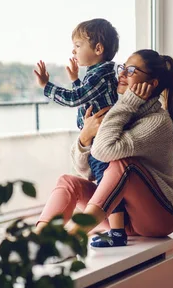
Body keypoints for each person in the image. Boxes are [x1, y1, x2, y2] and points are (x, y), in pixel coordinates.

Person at [35, 49, 173, 250]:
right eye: (122, 67)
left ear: (152, 83)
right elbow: (87, 172)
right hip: (124, 221)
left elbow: (104, 151)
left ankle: (71, 239)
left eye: (131, 70)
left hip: (162, 216)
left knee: (124, 164)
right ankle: (36, 242)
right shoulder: (119, 113)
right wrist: (85, 136)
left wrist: (126, 104)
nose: (121, 74)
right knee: (68, 182)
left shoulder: (157, 122)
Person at [34, 18, 129, 247]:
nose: (73, 51)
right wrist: (76, 80)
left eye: (77, 45)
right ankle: (45, 237)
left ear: (98, 49)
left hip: (103, 142)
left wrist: (47, 86)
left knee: (108, 186)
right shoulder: (98, 75)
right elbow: (86, 99)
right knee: (104, 185)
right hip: (97, 141)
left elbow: (75, 99)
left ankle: (118, 234)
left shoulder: (100, 75)